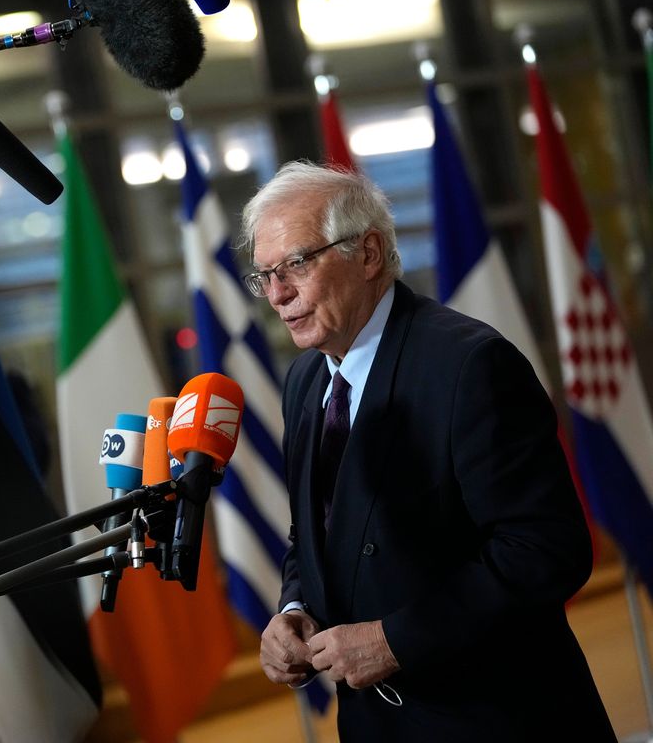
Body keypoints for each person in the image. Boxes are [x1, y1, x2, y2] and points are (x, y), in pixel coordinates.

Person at [244, 162, 615, 741]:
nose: (278, 294)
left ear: (368, 254)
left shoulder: (469, 365)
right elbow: (314, 536)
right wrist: (293, 611)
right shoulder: (304, 381)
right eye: (264, 274)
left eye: (296, 263)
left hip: (497, 720)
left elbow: (547, 549)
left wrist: (396, 640)